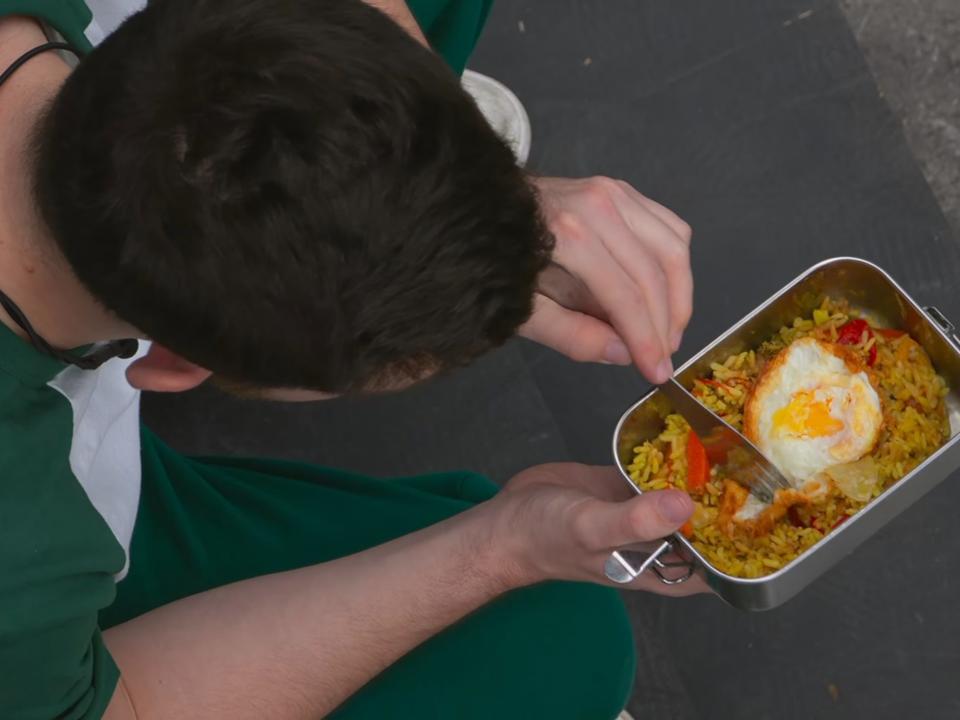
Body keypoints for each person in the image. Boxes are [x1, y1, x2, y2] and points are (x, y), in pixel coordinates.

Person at [0, 1, 703, 719]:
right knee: (563, 640)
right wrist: (505, 549)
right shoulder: (26, 542)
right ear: (168, 363)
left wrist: (455, 189)